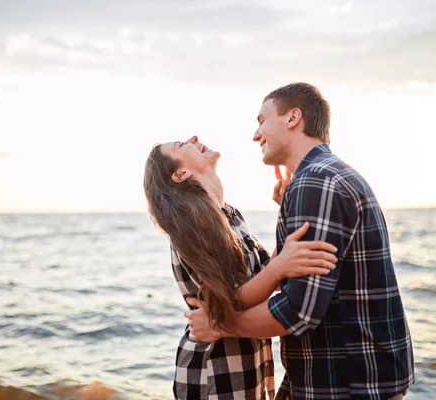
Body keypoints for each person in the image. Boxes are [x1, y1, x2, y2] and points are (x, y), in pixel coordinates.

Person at [184, 83, 415, 400]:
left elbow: (299, 311)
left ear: (293, 117)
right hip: (345, 375)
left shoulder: (316, 182)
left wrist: (223, 326)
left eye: (262, 120)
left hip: (347, 384)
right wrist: (292, 210)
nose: (256, 134)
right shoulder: (327, 176)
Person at [143, 135, 338, 400]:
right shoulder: (191, 222)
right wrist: (278, 268)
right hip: (214, 372)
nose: (194, 138)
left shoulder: (228, 214)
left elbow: (267, 272)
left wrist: (289, 208)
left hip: (245, 364)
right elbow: (230, 299)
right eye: (180, 144)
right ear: (181, 173)